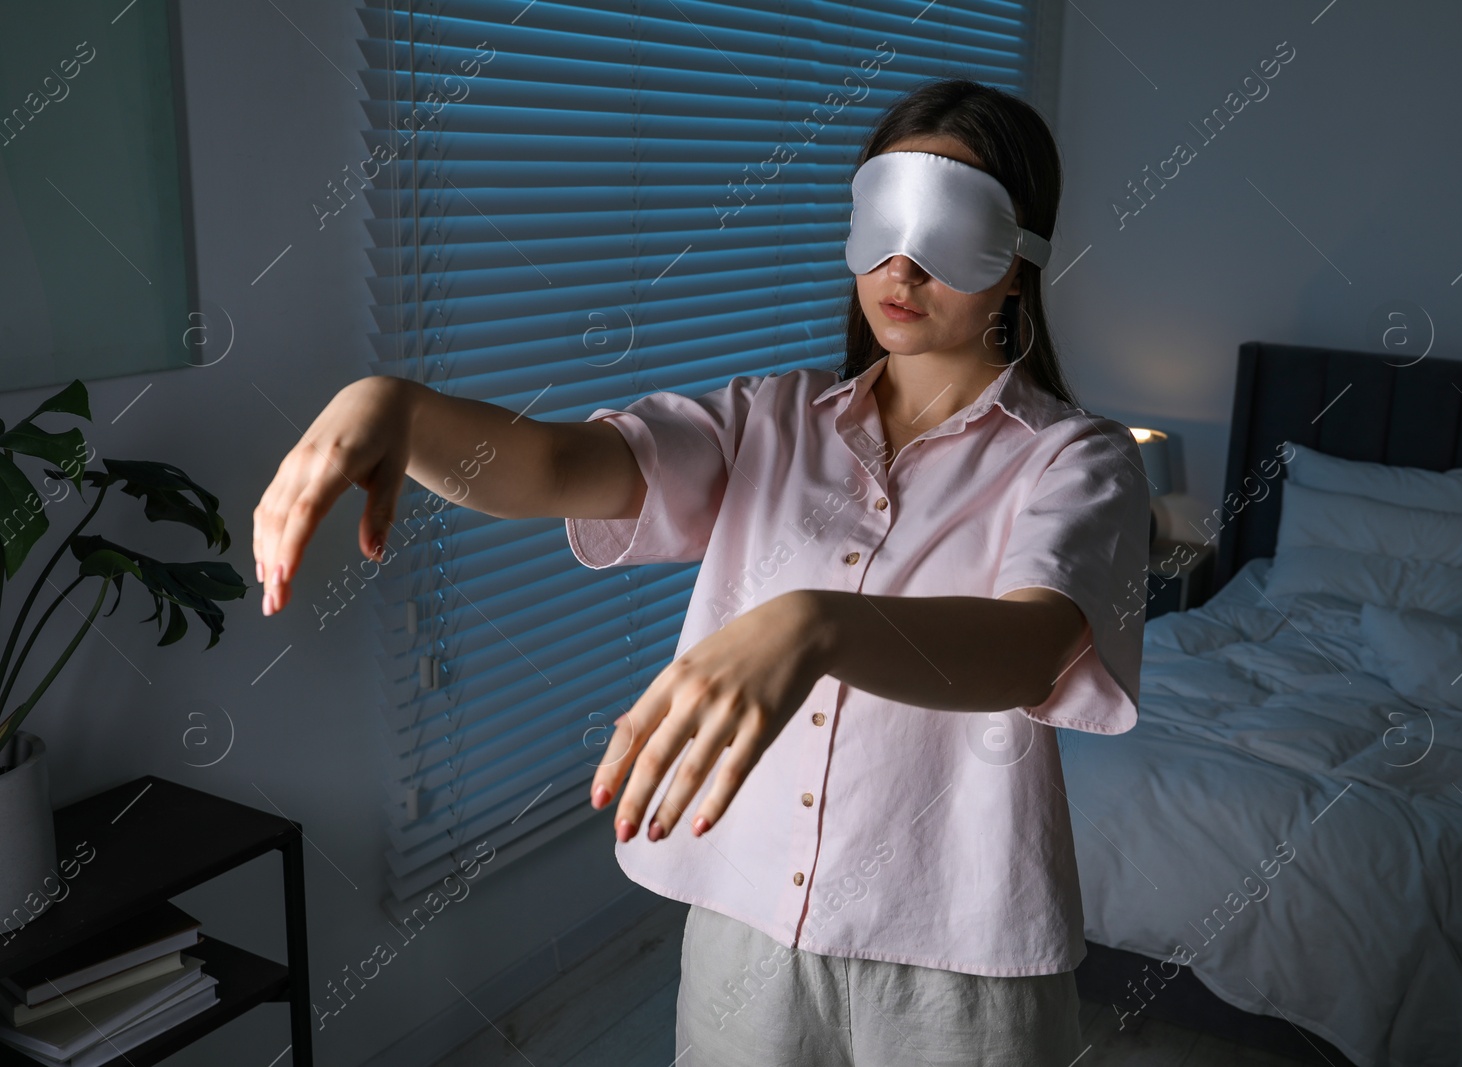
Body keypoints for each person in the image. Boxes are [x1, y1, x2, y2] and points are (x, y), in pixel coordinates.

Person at [253, 77, 1149, 1066]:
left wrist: (817, 626)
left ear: (1019, 263)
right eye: (884, 217)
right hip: (745, 923)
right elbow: (555, 467)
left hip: (957, 954)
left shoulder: (1077, 456)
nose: (902, 261)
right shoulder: (765, 418)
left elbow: (1030, 647)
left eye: (950, 227)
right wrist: (398, 407)